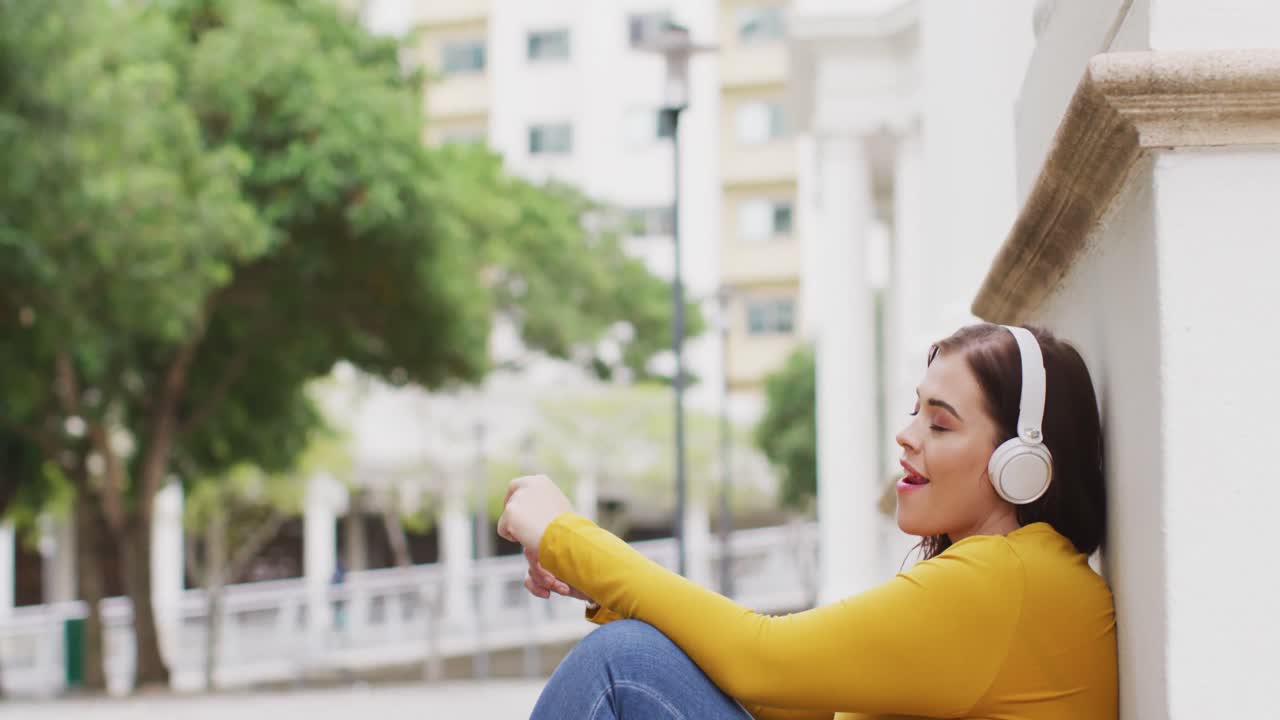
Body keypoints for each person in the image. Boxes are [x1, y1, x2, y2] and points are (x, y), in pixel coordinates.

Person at [498, 323, 1116, 720]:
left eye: (941, 422)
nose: (906, 436)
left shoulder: (1004, 580)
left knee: (621, 664)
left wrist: (563, 533)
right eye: (914, 412)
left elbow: (759, 658)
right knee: (635, 653)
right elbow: (787, 689)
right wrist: (604, 584)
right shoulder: (1023, 577)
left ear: (1022, 463)